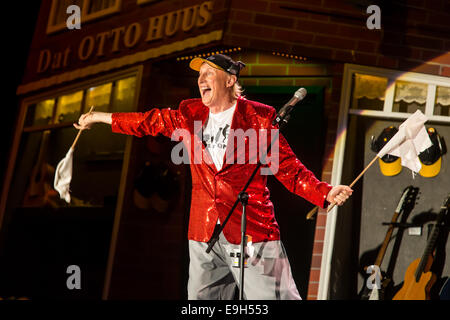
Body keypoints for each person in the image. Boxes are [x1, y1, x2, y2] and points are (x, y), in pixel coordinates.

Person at [75, 54, 353, 300]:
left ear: (230, 80)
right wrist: (102, 117)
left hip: (252, 233)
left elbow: (288, 168)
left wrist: (324, 192)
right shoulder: (189, 113)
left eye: (209, 73)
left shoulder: (258, 118)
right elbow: (149, 121)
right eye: (199, 75)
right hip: (204, 233)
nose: (201, 79)